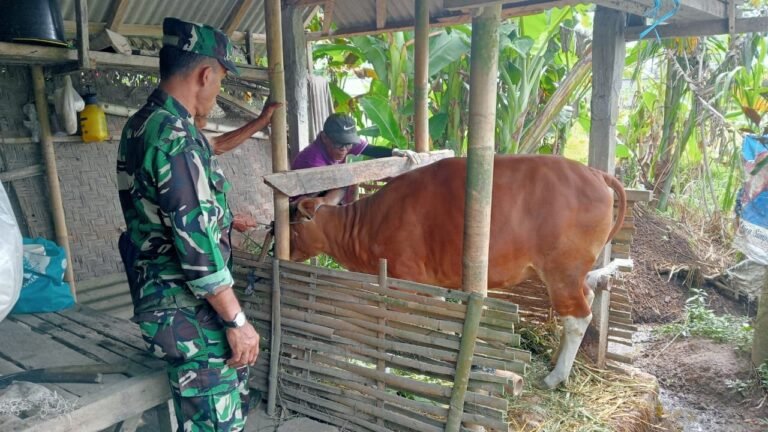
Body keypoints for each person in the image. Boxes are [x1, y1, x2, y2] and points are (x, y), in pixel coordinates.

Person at [116, 17, 266, 432]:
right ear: (205, 74)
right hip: (186, 312)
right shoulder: (175, 138)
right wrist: (238, 323)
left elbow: (164, 212)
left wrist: (221, 218)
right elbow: (197, 252)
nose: (218, 93)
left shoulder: (143, 124)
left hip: (165, 301)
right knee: (216, 423)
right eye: (219, 81)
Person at [291, 113, 422, 205]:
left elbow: (371, 149)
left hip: (330, 193)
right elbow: (313, 200)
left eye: (348, 144)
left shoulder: (345, 144)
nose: (344, 149)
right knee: (344, 179)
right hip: (304, 202)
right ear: (324, 138)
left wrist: (396, 152)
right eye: (339, 144)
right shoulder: (312, 160)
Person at [195, 103, 281, 233]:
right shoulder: (179, 142)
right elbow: (187, 208)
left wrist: (261, 121)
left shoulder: (192, 137)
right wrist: (230, 221)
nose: (205, 122)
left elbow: (218, 144)